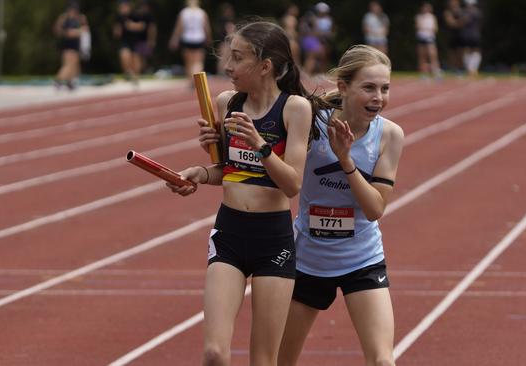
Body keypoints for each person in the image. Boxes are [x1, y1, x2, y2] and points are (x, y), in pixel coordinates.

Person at [199, 44, 403, 366]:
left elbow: (376, 208)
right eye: (369, 87)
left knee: (382, 361)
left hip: (362, 259)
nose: (379, 97)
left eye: (385, 88)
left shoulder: (389, 135)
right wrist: (222, 140)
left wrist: (345, 160)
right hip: (308, 259)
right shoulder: (309, 120)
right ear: (343, 87)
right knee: (281, 360)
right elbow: (258, 157)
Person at [167, 21, 331, 365]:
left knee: (263, 360)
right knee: (213, 353)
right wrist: (199, 173)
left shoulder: (294, 109)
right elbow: (230, 172)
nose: (228, 66)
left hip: (272, 239)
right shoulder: (228, 103)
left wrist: (260, 145)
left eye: (237, 58)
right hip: (230, 231)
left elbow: (292, 185)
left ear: (265, 66)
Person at [168, 0, 212, 85]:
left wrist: (174, 39)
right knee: (198, 62)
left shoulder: (184, 13)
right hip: (199, 38)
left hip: (187, 38)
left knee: (188, 62)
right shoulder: (202, 13)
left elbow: (179, 27)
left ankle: (190, 79)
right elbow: (206, 27)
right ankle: (196, 79)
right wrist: (208, 38)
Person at [53, 1, 88, 90]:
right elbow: (60, 32)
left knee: (75, 65)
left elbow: (85, 30)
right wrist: (75, 32)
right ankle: (58, 80)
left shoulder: (80, 18)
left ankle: (70, 82)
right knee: (68, 65)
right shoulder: (64, 19)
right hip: (67, 45)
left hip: (76, 45)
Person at [415, 2, 442, 79]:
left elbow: (435, 28)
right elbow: (418, 27)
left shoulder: (432, 17)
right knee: (422, 57)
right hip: (421, 38)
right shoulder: (419, 17)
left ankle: (436, 72)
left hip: (430, 38)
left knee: (433, 55)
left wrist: (427, 30)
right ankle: (424, 74)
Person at [460, 0, 482, 77]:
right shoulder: (475, 11)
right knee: (468, 51)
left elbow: (463, 21)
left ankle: (472, 69)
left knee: (473, 51)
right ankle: (470, 69)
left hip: (471, 34)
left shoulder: (469, 12)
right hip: (469, 34)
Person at [213, 3, 236, 74]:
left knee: (221, 59)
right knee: (225, 59)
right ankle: (222, 74)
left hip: (221, 42)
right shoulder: (227, 21)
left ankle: (220, 73)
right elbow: (230, 33)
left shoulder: (220, 21)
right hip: (226, 43)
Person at [443, 0, 464, 73]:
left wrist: (457, 23)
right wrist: (459, 23)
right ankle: (453, 69)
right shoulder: (448, 12)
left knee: (460, 53)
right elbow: (450, 23)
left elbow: (464, 22)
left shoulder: (461, 11)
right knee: (452, 54)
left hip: (461, 35)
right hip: (452, 36)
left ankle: (460, 69)